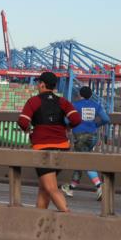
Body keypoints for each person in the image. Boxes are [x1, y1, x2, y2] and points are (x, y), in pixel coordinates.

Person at [17, 71, 82, 212]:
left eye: (38, 83)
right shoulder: (62, 101)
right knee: (44, 188)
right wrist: (67, 127)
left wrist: (28, 129)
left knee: (51, 188)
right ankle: (39, 219)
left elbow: (22, 122)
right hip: (63, 148)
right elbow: (76, 119)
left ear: (42, 84)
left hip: (43, 149)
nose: (37, 85)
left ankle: (69, 218)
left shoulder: (34, 101)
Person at [62, 85, 111, 200]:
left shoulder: (75, 105)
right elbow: (106, 119)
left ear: (80, 94)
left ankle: (99, 187)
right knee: (81, 160)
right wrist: (95, 125)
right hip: (93, 136)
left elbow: (66, 120)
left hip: (80, 136)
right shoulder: (96, 105)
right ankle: (71, 188)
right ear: (90, 95)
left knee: (85, 161)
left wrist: (70, 126)